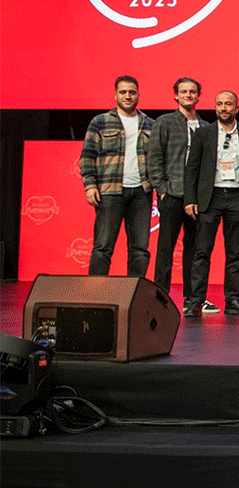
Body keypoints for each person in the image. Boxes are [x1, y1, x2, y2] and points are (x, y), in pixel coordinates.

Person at [184, 90, 239, 317]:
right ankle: (196, 300)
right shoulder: (203, 133)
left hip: (237, 196)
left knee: (234, 253)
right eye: (219, 104)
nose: (223, 108)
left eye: (228, 104)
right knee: (202, 252)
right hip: (210, 197)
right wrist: (190, 199)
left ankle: (232, 300)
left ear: (237, 108)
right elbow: (192, 168)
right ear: (215, 107)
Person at [147, 77, 212, 312]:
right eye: (183, 91)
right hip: (172, 194)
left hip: (197, 198)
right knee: (166, 248)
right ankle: (159, 296)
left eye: (192, 91)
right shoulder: (164, 122)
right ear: (176, 95)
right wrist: (162, 189)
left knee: (194, 248)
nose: (188, 95)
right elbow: (154, 157)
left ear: (198, 96)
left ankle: (192, 298)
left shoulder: (206, 126)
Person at [80, 75, 153, 278]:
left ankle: (134, 292)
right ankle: (96, 292)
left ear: (138, 95)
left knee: (140, 249)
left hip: (141, 192)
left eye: (132, 92)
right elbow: (87, 156)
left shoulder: (149, 124)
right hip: (110, 191)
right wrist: (90, 185)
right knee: (103, 247)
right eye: (123, 92)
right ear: (115, 95)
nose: (127, 96)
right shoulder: (100, 122)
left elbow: (157, 159)